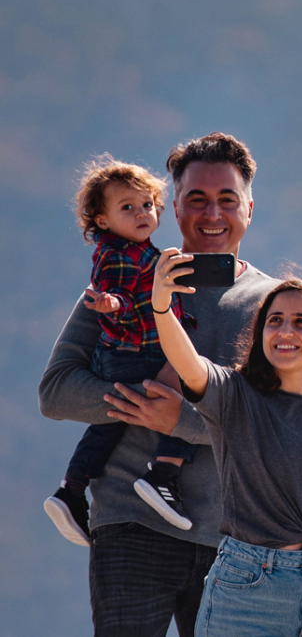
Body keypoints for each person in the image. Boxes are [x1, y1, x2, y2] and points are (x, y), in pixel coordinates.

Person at [40, 132, 275, 637]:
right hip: (130, 525)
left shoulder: (280, 308)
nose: (212, 213)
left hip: (235, 543)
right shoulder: (125, 281)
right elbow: (56, 391)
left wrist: (183, 422)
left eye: (227, 200)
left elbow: (282, 427)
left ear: (249, 209)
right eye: (196, 199)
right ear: (174, 208)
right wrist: (135, 401)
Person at [150, 255, 302, 637]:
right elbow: (188, 363)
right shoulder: (233, 396)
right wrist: (161, 307)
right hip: (250, 593)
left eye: (301, 322)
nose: (285, 331)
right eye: (274, 321)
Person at [44, 158, 201, 545]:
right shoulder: (118, 254)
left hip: (123, 354)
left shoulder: (145, 251)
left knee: (110, 422)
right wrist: (113, 305)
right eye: (127, 208)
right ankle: (162, 474)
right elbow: (119, 295)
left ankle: (72, 488)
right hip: (136, 352)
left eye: (147, 205)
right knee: (185, 386)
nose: (141, 214)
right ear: (101, 219)